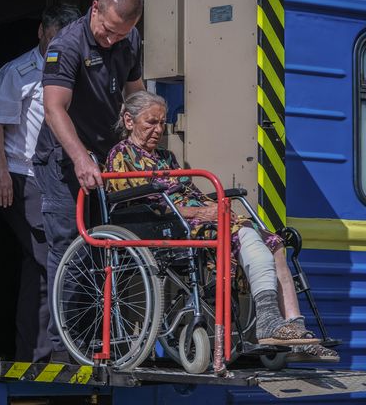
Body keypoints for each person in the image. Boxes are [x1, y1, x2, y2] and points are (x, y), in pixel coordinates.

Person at [105, 90, 338, 361]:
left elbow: (188, 191)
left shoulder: (167, 158)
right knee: (245, 235)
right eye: (150, 123)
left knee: (273, 243)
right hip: (161, 224)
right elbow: (143, 205)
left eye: (162, 123)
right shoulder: (120, 156)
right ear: (129, 121)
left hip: (189, 218)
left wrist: (205, 208)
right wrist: (200, 212)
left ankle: (294, 328)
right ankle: (268, 320)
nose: (158, 129)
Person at [32, 0, 145, 361]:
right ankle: (63, 350)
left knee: (108, 247)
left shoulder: (129, 41)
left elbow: (135, 94)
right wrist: (81, 157)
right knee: (69, 249)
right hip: (64, 159)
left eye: (121, 34)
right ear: (94, 8)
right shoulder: (67, 46)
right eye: (108, 30)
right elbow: (54, 109)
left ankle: (103, 341)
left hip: (106, 157)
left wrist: (142, 143)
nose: (112, 39)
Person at [0, 4, 81, 363]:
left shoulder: (73, 66)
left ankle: (35, 354)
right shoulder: (18, 73)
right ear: (41, 32)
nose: (58, 46)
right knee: (53, 257)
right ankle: (62, 351)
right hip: (23, 177)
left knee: (38, 267)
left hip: (60, 177)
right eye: (54, 38)